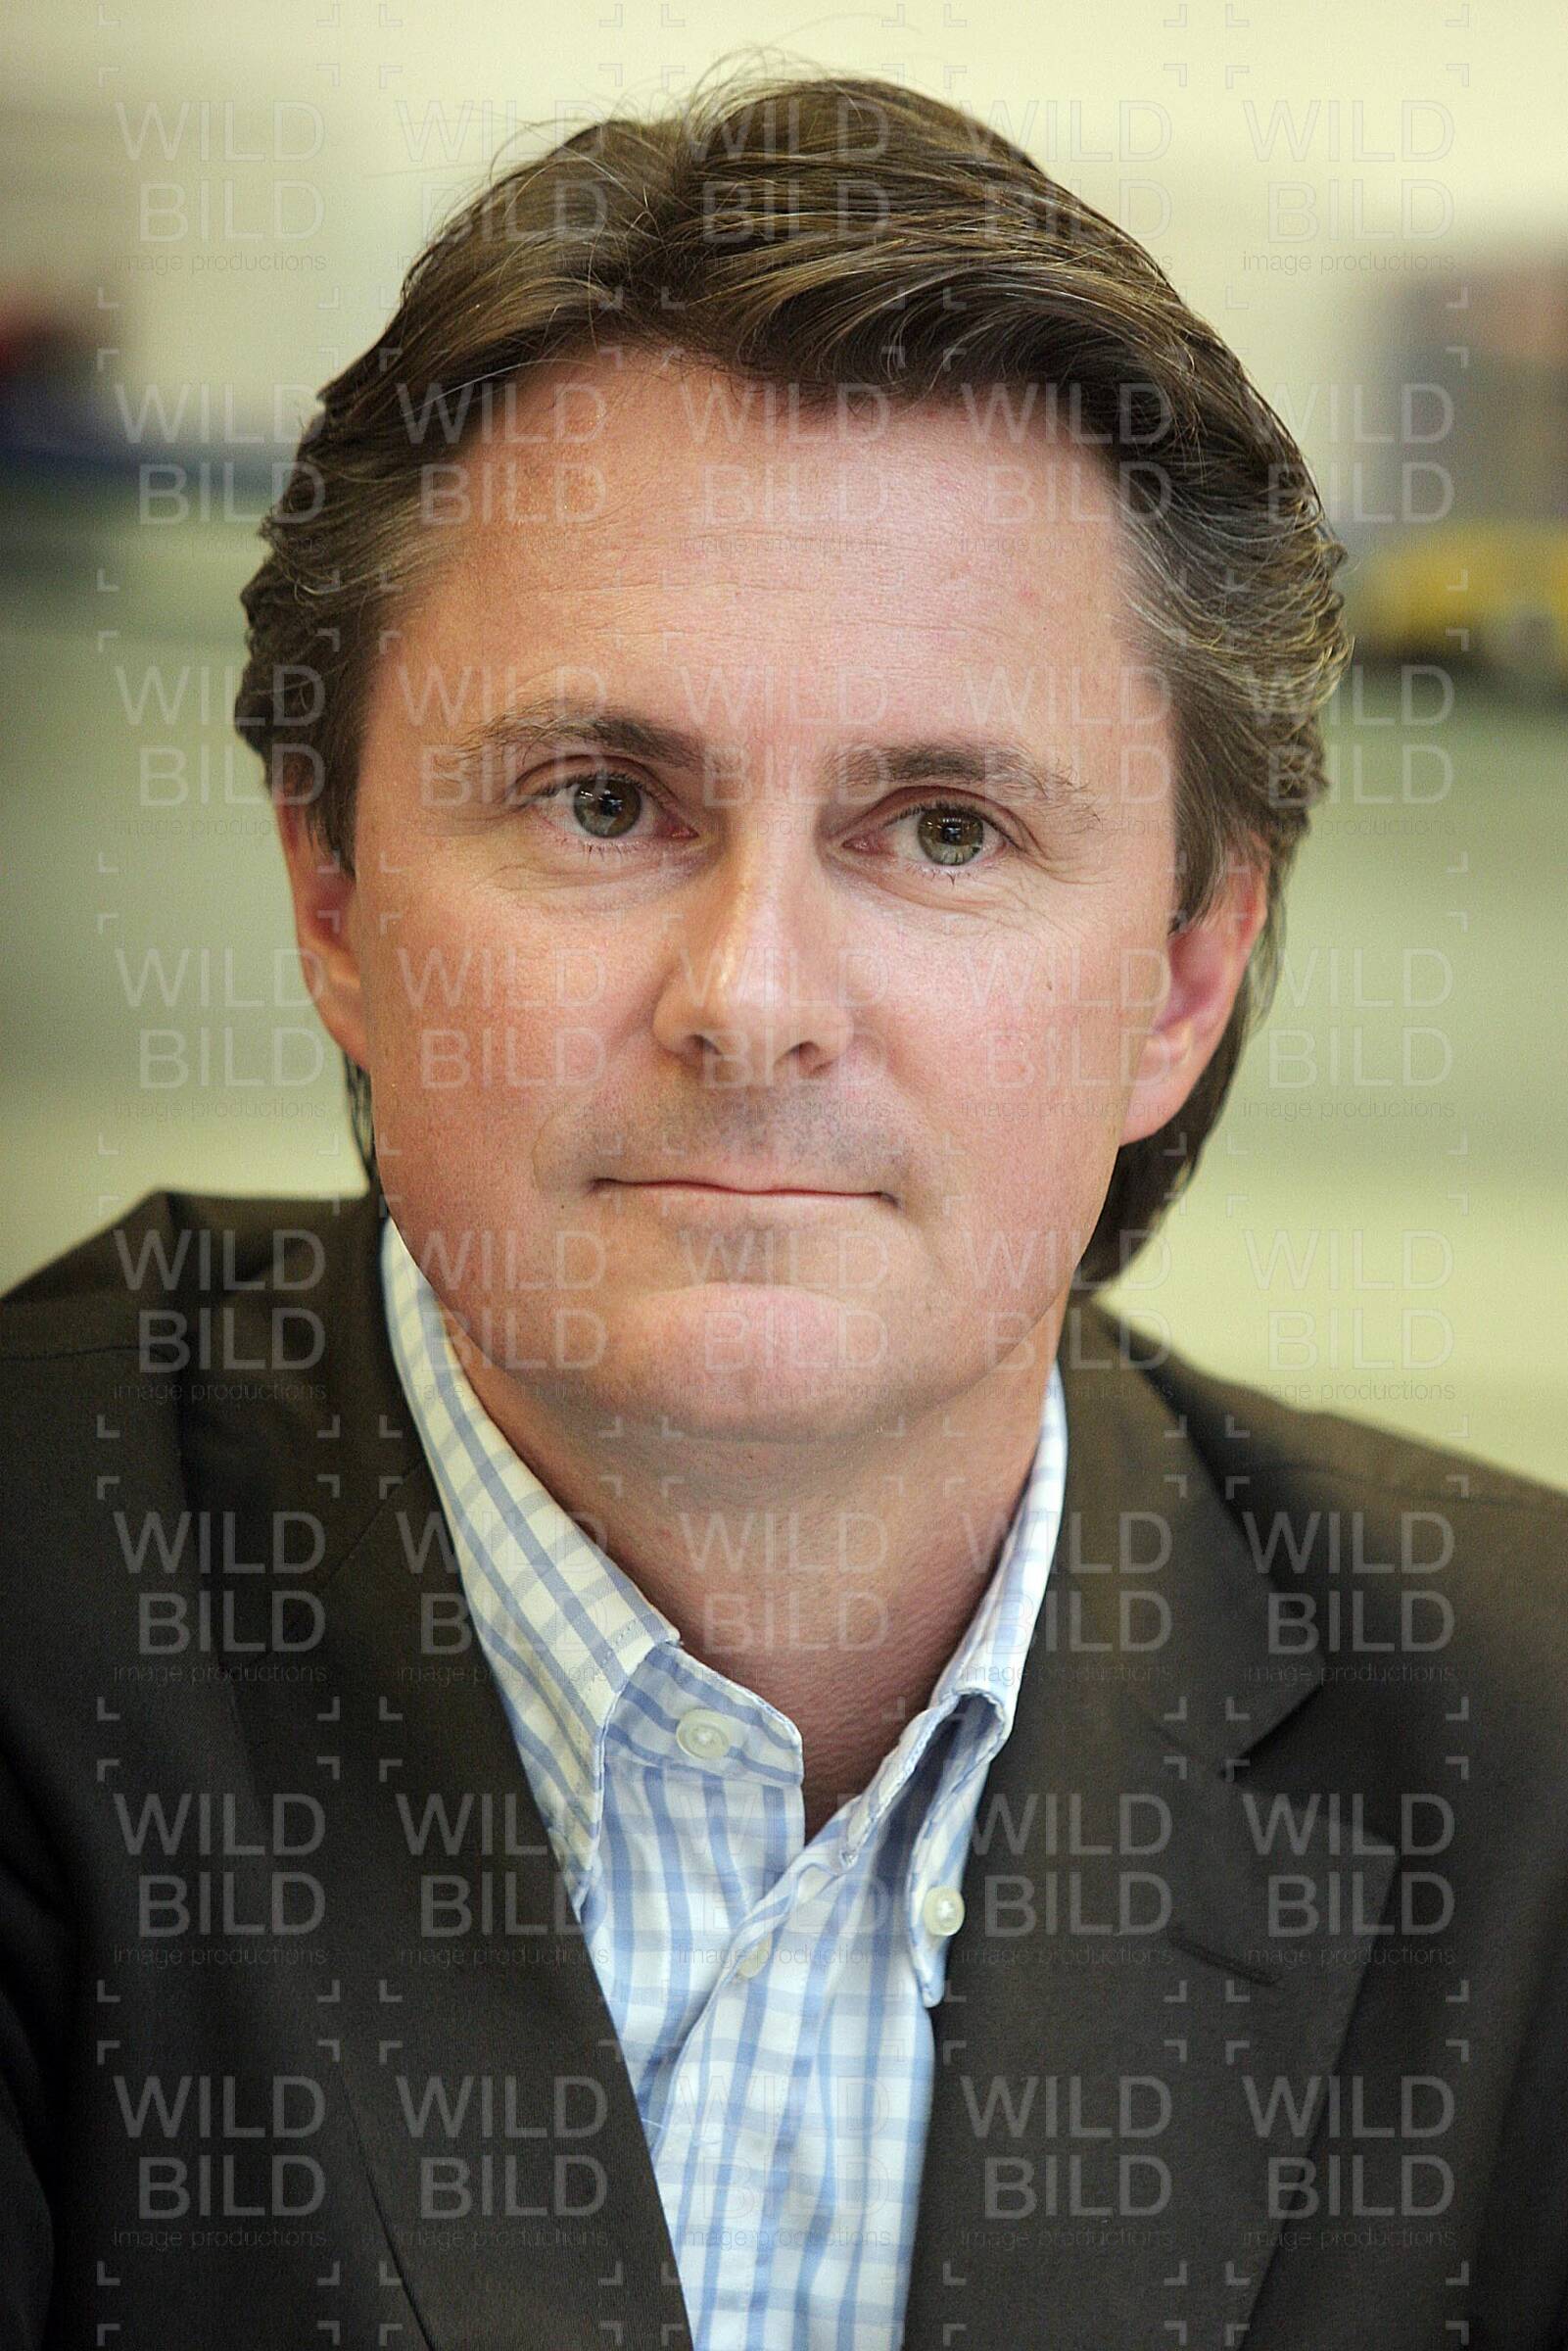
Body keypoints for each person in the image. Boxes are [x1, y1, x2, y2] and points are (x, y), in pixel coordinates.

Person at [3, 63, 1565, 2351]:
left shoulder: (1529, 1760)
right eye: (602, 800)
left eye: (943, 828)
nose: (751, 1002)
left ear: (1185, 973)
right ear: (330, 893)